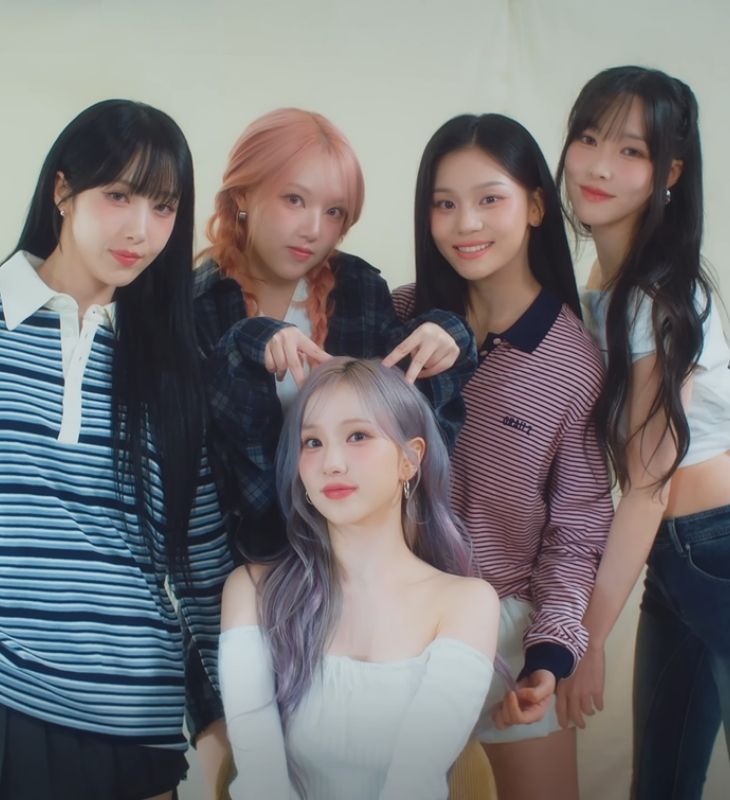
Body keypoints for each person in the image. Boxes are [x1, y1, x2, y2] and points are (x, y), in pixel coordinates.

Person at [187, 108, 476, 781]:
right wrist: (251, 346)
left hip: (356, 587)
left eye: (335, 212)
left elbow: (405, 424)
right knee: (249, 771)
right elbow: (201, 455)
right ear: (242, 195)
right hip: (238, 582)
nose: (313, 228)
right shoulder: (191, 303)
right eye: (294, 200)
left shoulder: (359, 291)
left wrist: (450, 335)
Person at [0, 100, 232, 800]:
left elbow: (203, 566)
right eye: (119, 196)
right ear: (63, 191)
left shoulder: (172, 364)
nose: (140, 230)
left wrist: (233, 724)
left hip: (136, 720)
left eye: (163, 207)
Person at [391, 113, 613, 800]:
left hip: (507, 631)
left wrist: (550, 654)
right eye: (444, 203)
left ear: (536, 206)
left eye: (490, 198)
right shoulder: (397, 319)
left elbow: (578, 528)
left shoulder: (576, 361)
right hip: (387, 622)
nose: (466, 224)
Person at [554, 66, 730, 799]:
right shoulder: (602, 282)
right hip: (679, 554)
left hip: (713, 542)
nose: (599, 166)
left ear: (671, 172)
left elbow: (650, 483)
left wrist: (587, 637)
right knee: (661, 784)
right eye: (589, 138)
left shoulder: (659, 294)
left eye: (631, 150)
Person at [219, 357, 499, 799]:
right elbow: (260, 781)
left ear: (410, 459)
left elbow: (415, 783)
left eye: (358, 436)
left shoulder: (467, 602)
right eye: (312, 442)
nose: (332, 463)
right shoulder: (251, 592)